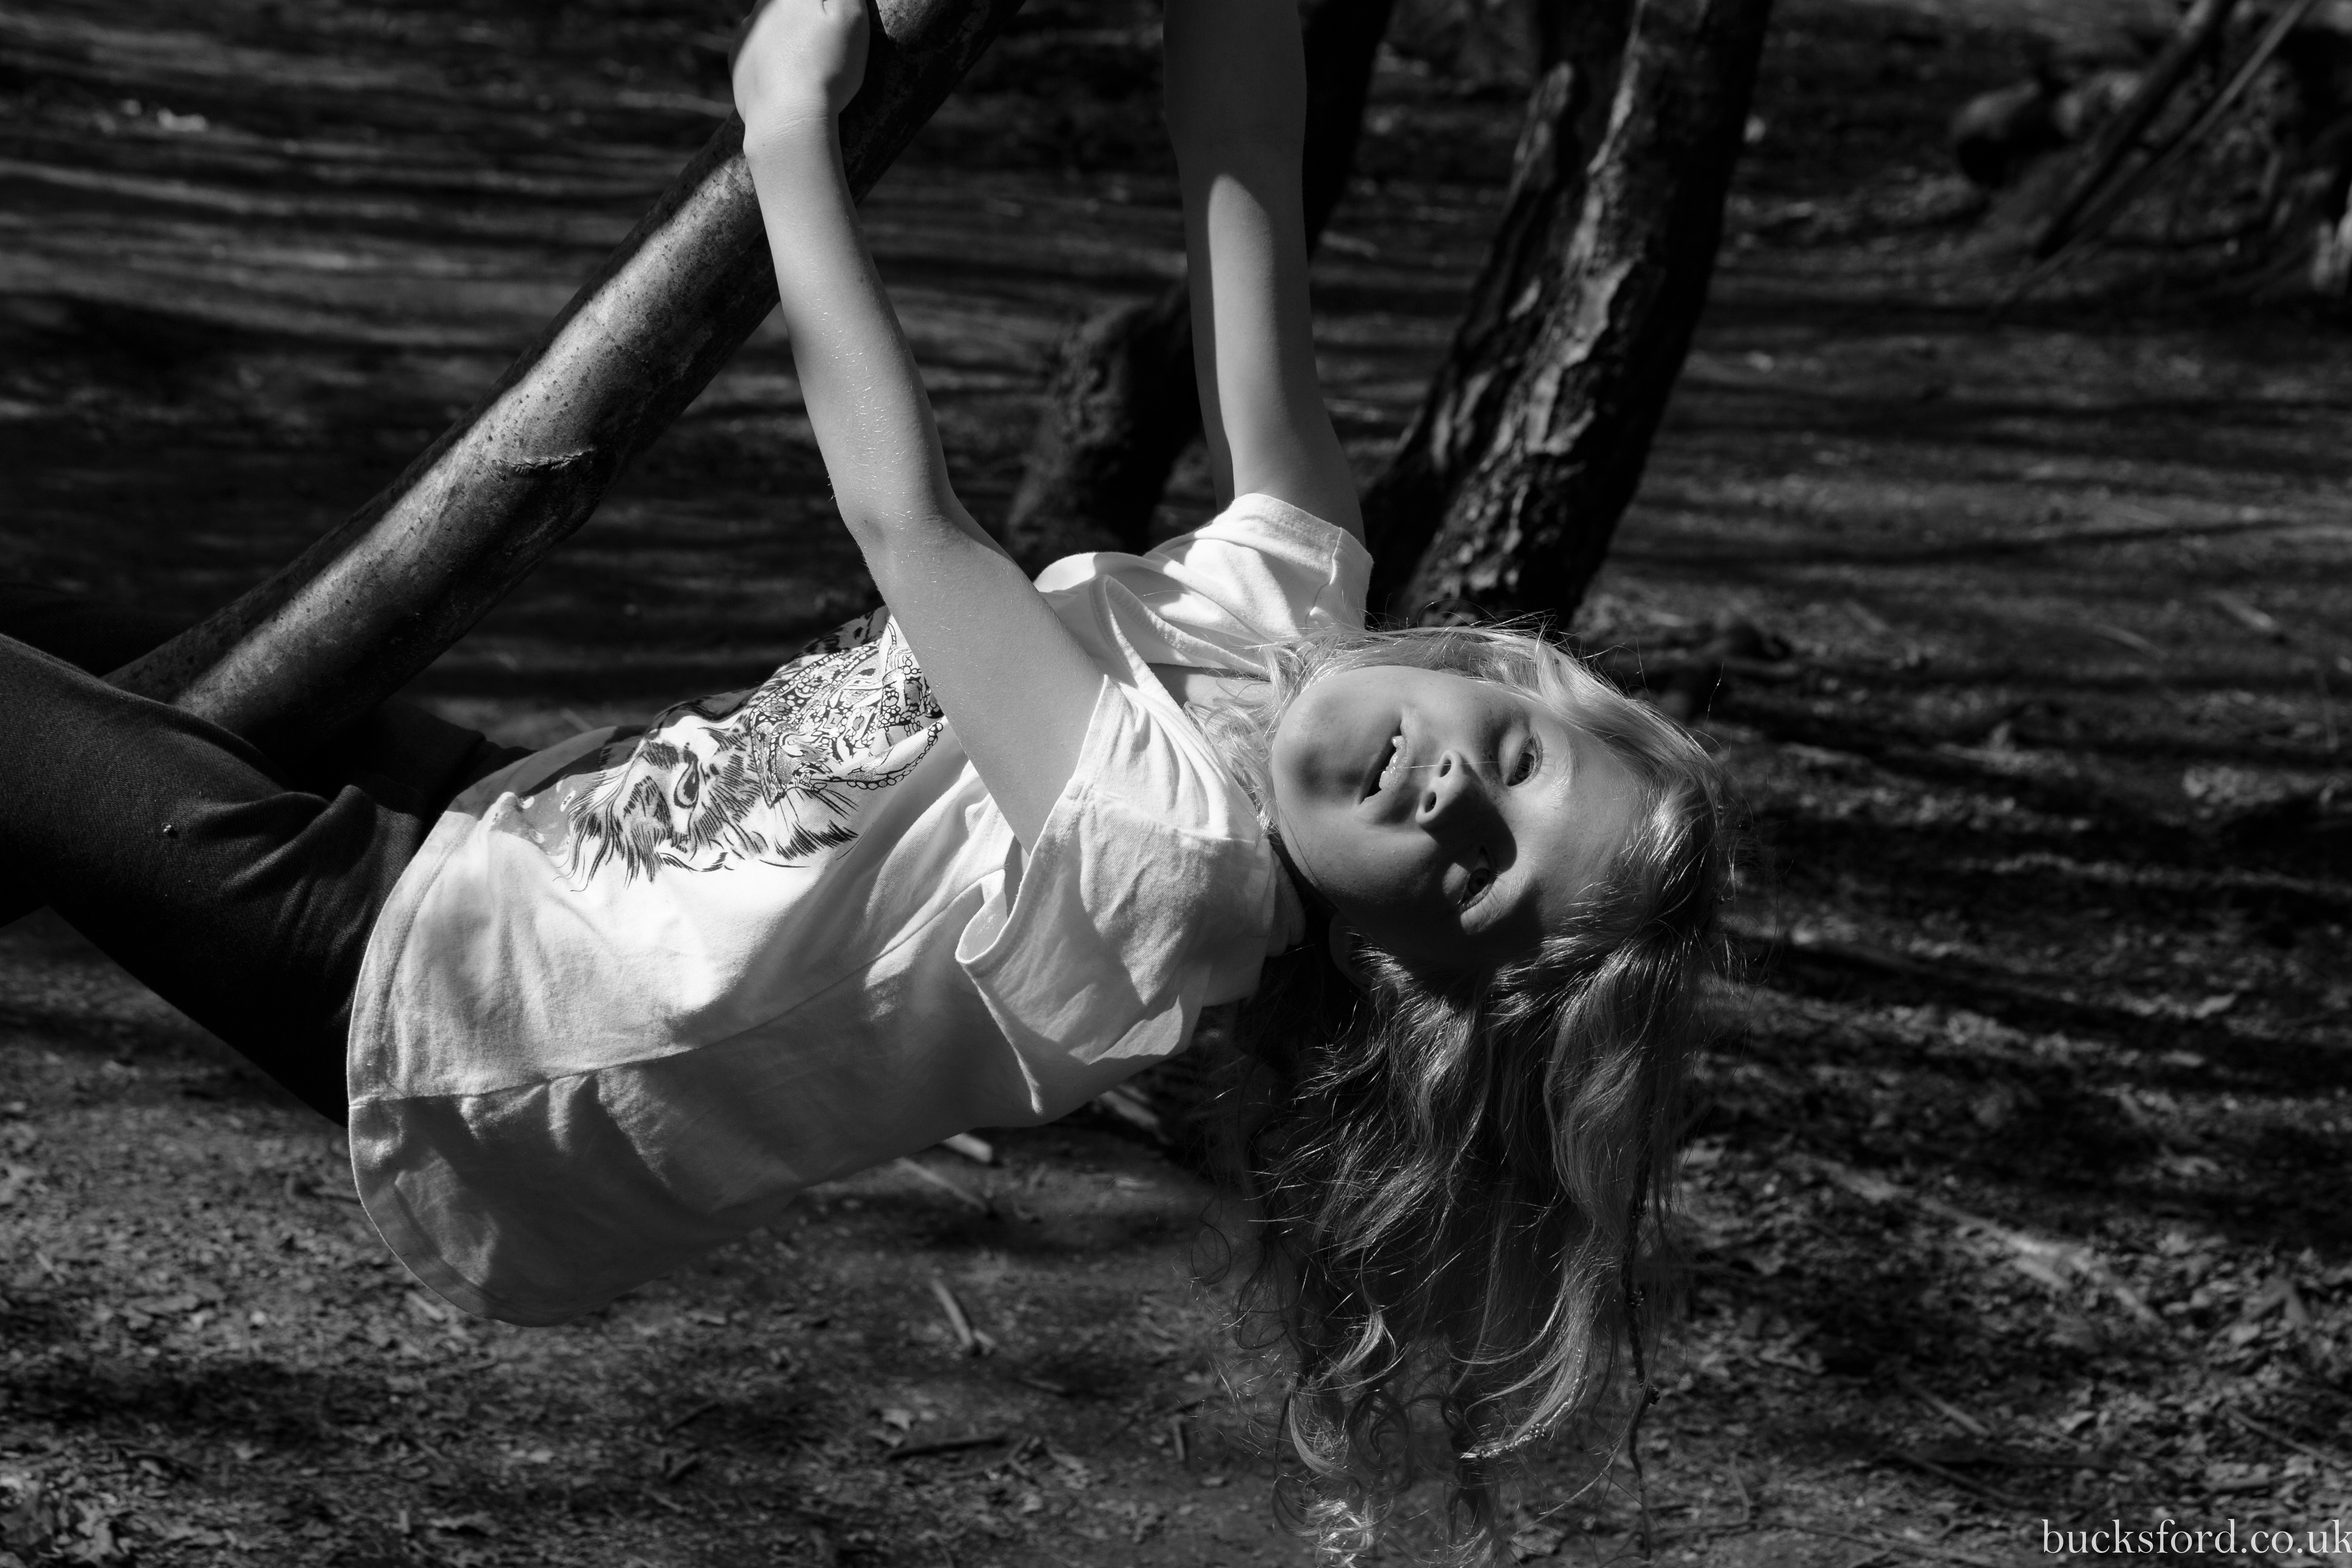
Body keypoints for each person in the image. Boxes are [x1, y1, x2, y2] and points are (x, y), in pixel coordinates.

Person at [0, 0, 1730, 1555]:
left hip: (479, 1026)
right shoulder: (1293, 597)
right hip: (531, 841)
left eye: (1479, 871)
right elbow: (1248, 168)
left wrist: (789, 128)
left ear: (1402, 969)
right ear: (1499, 676)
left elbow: (911, 527)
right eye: (1515, 759)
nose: (1452, 796)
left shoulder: (1179, 870)